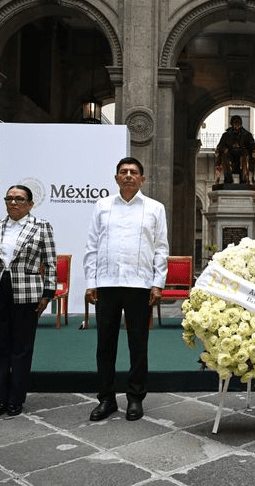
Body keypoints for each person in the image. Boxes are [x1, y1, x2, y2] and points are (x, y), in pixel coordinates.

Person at [84, 157, 168, 422]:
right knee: (105, 345)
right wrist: (90, 282)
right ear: (116, 177)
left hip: (140, 285)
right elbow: (92, 246)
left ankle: (135, 398)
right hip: (107, 284)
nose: (128, 175)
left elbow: (161, 248)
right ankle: (106, 399)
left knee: (138, 345)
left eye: (134, 172)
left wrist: (158, 282)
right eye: (123, 172)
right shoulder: (102, 206)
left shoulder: (155, 208)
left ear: (142, 179)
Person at [0, 185, 57, 418]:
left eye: (19, 199)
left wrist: (48, 293)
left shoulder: (41, 227)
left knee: (21, 348)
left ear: (30, 204)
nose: (13, 203)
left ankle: (15, 399)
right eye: (9, 198)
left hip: (27, 293)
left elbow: (50, 262)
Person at [215, 115, 255, 184]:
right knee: (224, 156)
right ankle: (228, 179)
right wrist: (224, 149)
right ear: (232, 124)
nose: (237, 124)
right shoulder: (226, 135)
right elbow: (220, 146)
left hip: (242, 153)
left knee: (245, 155)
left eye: (239, 122)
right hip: (230, 154)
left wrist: (253, 149)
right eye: (235, 122)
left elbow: (253, 145)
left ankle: (244, 179)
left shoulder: (247, 135)